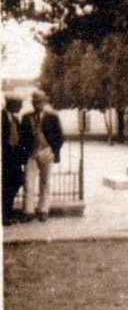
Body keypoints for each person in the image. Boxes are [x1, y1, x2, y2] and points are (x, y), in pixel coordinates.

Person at [20, 90, 64, 222]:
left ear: (44, 102)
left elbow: (60, 137)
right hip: (31, 153)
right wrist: (24, 153)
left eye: (39, 101)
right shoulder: (26, 117)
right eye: (34, 101)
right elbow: (23, 137)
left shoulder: (53, 117)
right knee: (28, 182)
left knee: (45, 182)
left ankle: (43, 209)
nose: (36, 104)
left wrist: (53, 151)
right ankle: (28, 211)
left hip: (46, 151)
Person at [2, 94, 26, 226]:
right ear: (11, 104)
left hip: (14, 159)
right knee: (6, 187)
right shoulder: (1, 118)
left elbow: (20, 139)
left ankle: (8, 213)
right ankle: (5, 216)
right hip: (5, 158)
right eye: (19, 104)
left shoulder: (15, 119)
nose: (21, 107)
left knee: (16, 182)